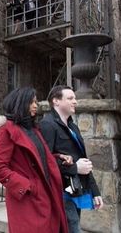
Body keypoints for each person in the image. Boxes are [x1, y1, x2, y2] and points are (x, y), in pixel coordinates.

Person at [0, 87, 69, 233]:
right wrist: (27, 186)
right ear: (20, 103)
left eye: (36, 102)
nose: (35, 106)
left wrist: (57, 158)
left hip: (46, 193)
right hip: (28, 199)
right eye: (31, 102)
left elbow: (37, 156)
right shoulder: (7, 131)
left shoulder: (33, 130)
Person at [39, 86, 104, 233]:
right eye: (70, 98)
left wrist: (95, 192)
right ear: (56, 101)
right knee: (73, 228)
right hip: (60, 191)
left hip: (75, 189)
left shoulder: (73, 127)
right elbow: (43, 161)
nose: (75, 102)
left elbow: (83, 161)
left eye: (74, 98)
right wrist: (74, 168)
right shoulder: (47, 125)